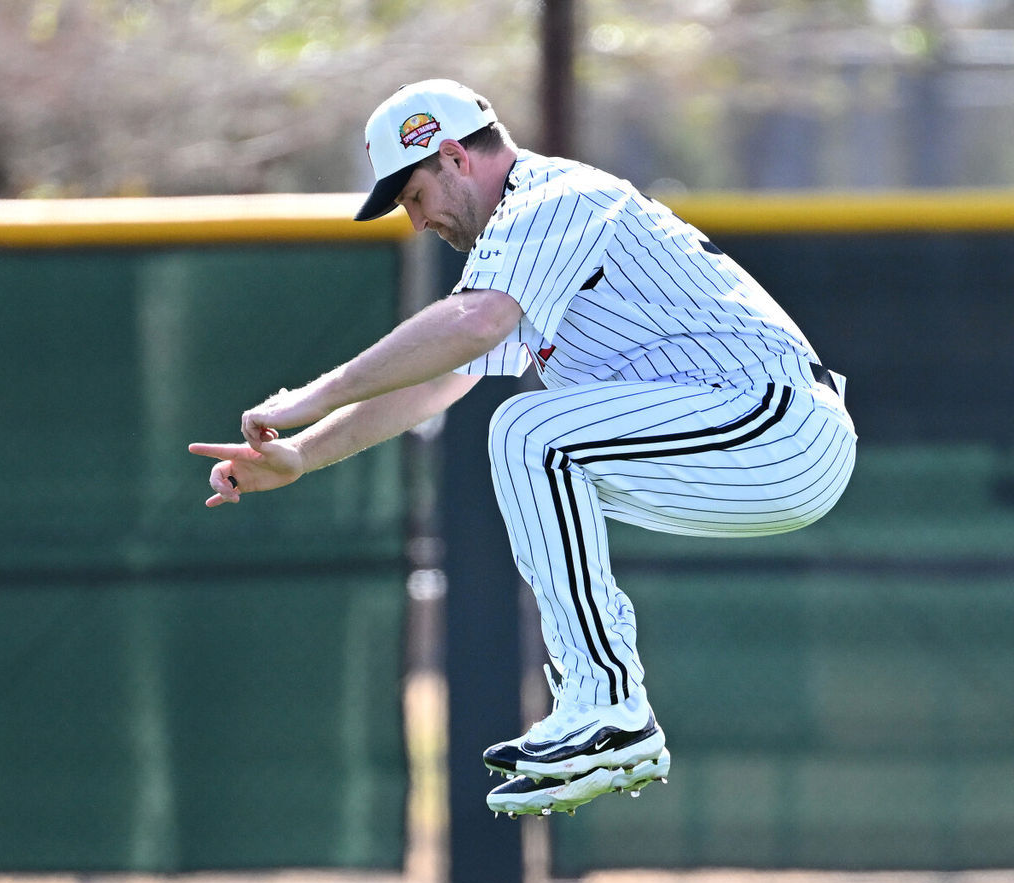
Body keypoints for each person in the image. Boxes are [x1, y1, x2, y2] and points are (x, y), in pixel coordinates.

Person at [190, 78, 857, 820]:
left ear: (451, 156)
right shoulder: (522, 236)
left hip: (775, 419)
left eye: (412, 195)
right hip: (749, 440)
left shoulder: (554, 197)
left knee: (529, 432)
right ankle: (601, 708)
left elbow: (473, 324)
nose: (416, 222)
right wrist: (305, 453)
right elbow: (440, 380)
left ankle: (608, 703)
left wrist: (314, 393)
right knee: (533, 439)